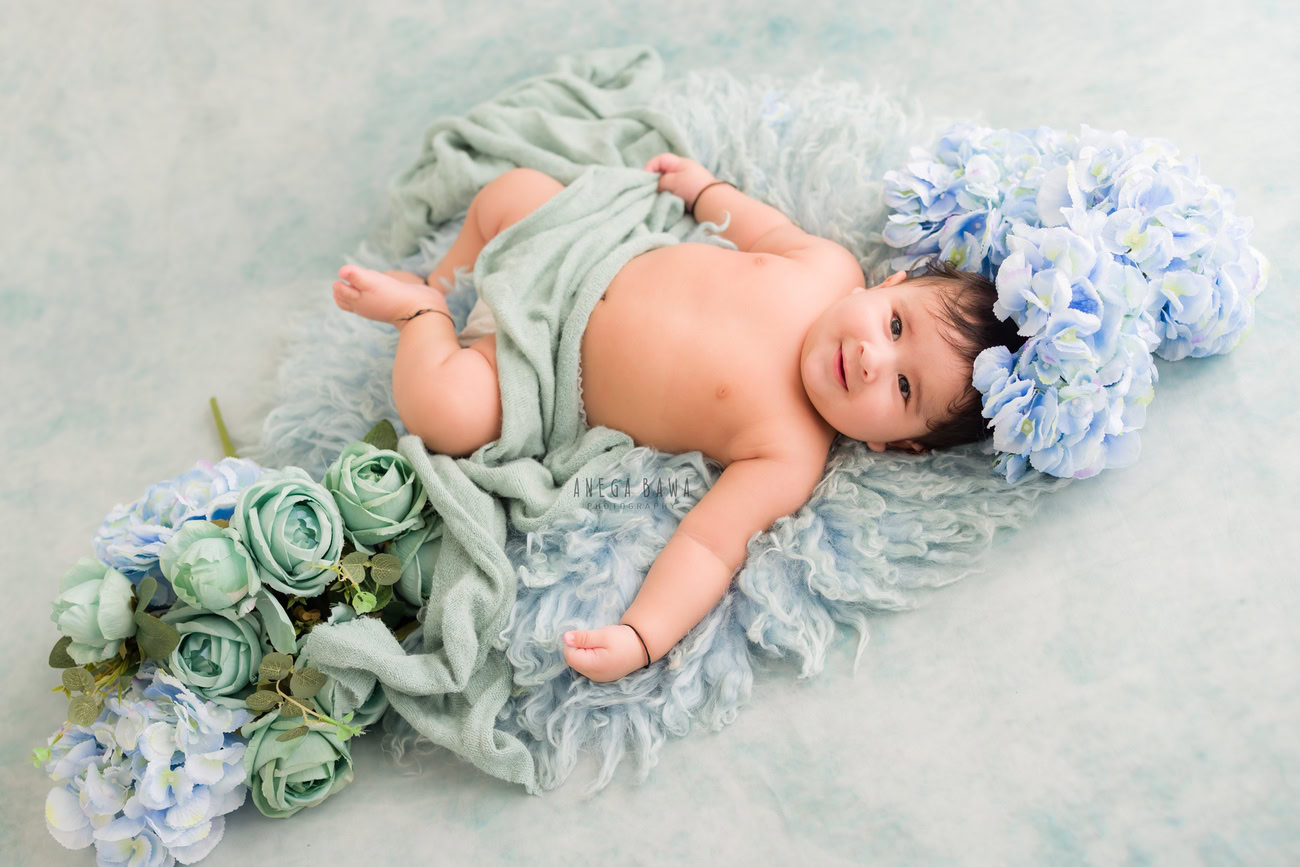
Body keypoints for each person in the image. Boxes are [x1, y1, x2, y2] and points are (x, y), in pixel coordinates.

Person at [331, 155, 1025, 683]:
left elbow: (708, 546)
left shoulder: (790, 451)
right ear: (888, 285)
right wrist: (700, 189)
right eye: (895, 324)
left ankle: (420, 317)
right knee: (513, 191)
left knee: (445, 413)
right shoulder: (826, 267)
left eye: (904, 386)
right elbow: (761, 225)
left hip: (539, 373)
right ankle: (446, 279)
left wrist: (643, 634)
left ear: (894, 444)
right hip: (577, 251)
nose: (874, 357)